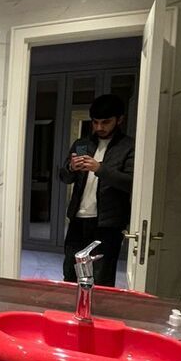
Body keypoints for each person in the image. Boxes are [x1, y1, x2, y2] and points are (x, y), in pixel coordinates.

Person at [59, 94, 135, 287]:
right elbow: (65, 178)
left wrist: (99, 168)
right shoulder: (82, 144)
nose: (99, 127)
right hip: (77, 220)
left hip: (108, 224)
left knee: (101, 279)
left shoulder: (129, 146)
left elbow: (130, 183)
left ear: (119, 120)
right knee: (70, 273)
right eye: (95, 122)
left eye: (106, 122)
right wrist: (71, 168)